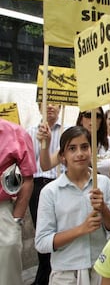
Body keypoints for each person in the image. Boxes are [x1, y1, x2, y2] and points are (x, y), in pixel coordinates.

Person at [35, 126, 110, 285]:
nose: (79, 153)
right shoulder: (50, 192)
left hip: (101, 269)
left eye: (84, 147)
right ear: (62, 156)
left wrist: (104, 209)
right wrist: (81, 229)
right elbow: (42, 243)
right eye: (72, 148)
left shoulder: (103, 183)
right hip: (66, 274)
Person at [27, 103, 64, 285]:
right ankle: (44, 273)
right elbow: (28, 164)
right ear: (38, 106)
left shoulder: (66, 131)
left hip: (61, 185)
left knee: (60, 231)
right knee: (42, 232)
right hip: (38, 187)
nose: (49, 107)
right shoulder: (30, 132)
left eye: (54, 104)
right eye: (45, 103)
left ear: (61, 106)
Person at [0, 118, 36, 285]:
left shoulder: (15, 132)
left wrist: (16, 218)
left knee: (8, 274)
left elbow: (28, 178)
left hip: (3, 212)